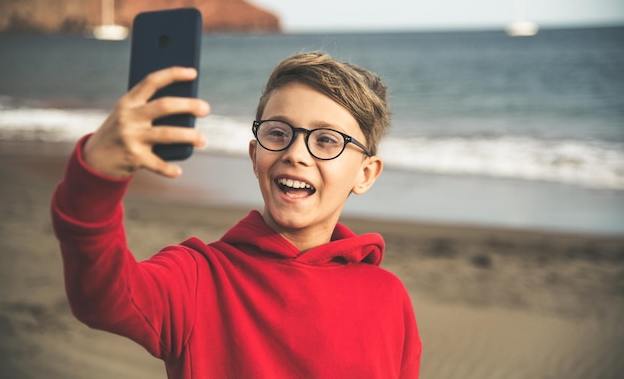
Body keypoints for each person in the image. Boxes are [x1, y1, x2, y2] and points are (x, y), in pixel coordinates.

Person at [51, 51, 422, 378]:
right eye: (278, 132)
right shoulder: (197, 278)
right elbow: (102, 297)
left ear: (365, 173)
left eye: (326, 140)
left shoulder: (389, 297)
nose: (296, 153)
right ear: (254, 155)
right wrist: (97, 177)